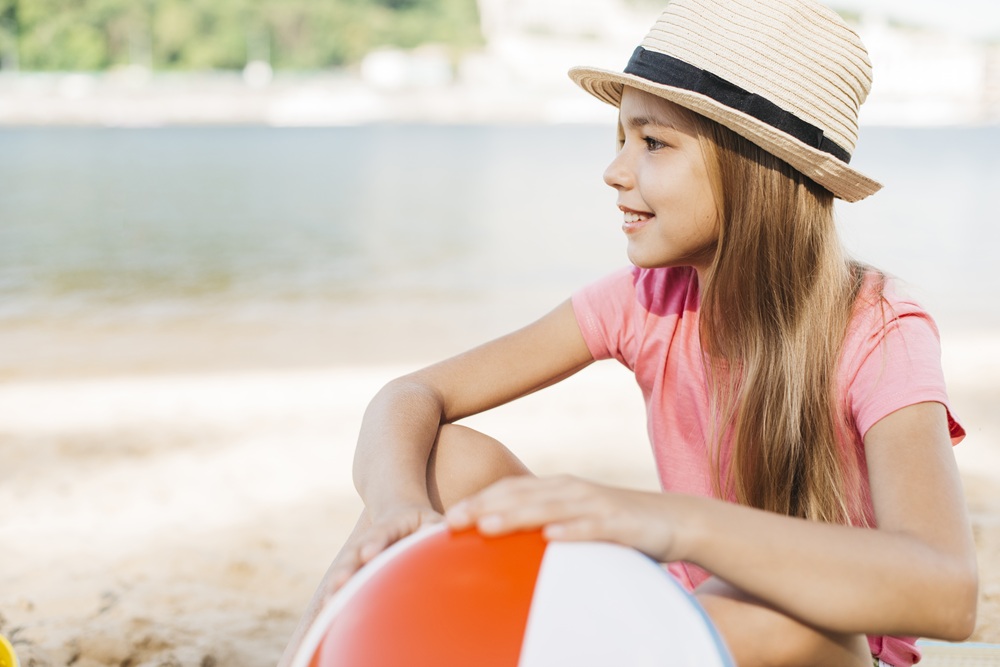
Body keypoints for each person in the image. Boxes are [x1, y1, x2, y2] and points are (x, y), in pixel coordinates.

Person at [279, 0, 978, 665]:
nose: (614, 171)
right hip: (674, 626)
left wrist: (671, 521)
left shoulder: (880, 332)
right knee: (445, 458)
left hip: (810, 647)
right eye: (621, 138)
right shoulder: (647, 302)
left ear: (755, 168)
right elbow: (409, 395)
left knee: (770, 606)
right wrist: (395, 510)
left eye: (652, 142)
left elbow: (948, 590)